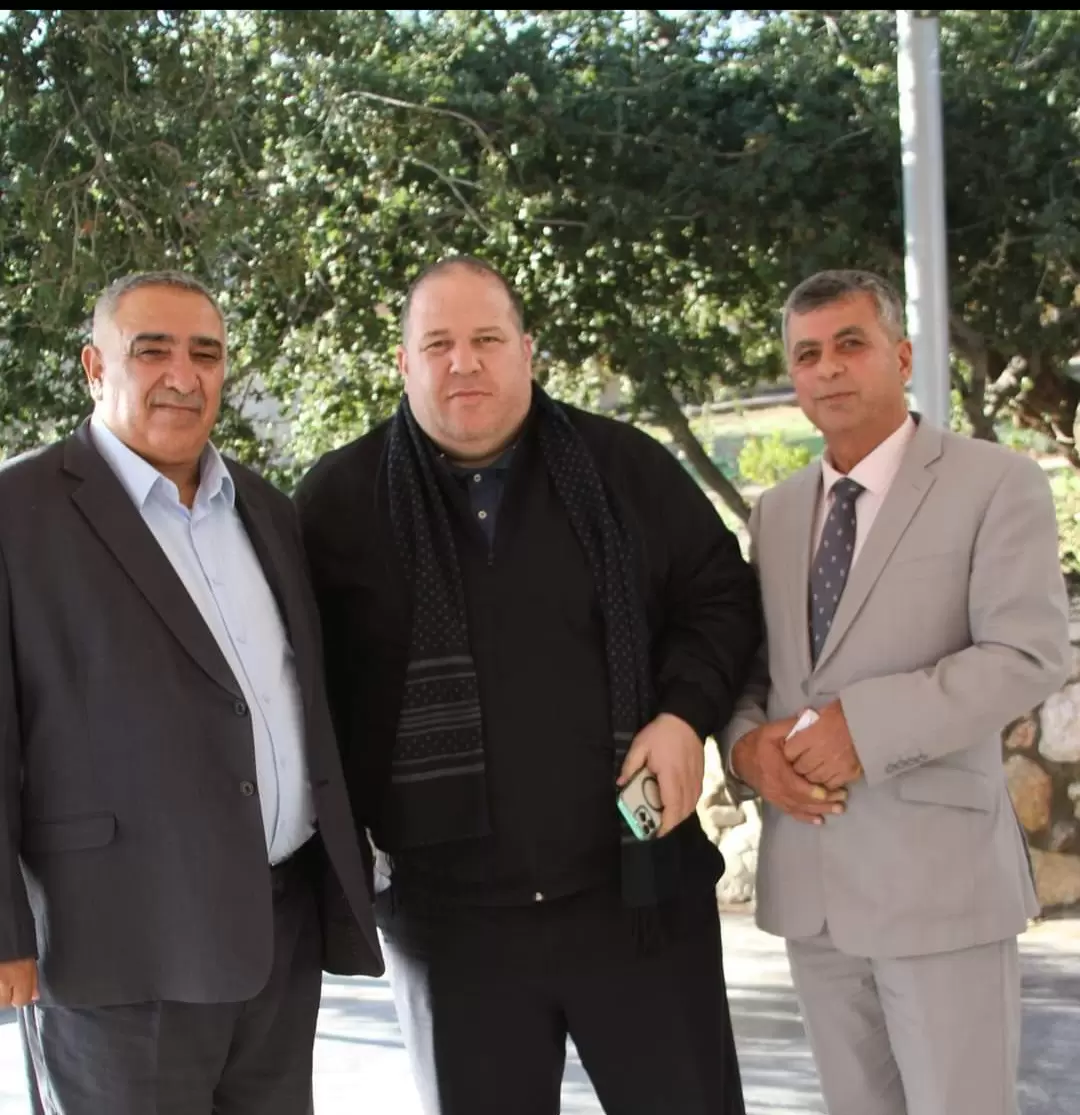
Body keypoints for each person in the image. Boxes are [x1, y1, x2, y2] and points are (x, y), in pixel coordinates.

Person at [294, 255, 762, 1115]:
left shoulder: (625, 469)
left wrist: (682, 713)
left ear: (527, 349)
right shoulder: (337, 503)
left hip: (637, 899)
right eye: (438, 343)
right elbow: (293, 684)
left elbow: (721, 597)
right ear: (403, 362)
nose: (463, 362)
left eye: (486, 339)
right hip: (451, 929)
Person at [0, 271, 382, 1115]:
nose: (184, 374)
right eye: (153, 351)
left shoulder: (265, 509)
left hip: (277, 934)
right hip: (115, 949)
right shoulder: (16, 514)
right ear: (94, 367)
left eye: (205, 354)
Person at [721, 268, 1070, 1115]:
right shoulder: (777, 511)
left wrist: (864, 728)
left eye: (851, 343)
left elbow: (1026, 653)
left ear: (903, 357)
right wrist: (746, 747)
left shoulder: (996, 482)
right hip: (812, 886)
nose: (828, 368)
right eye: (807, 354)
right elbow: (758, 666)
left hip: (941, 884)